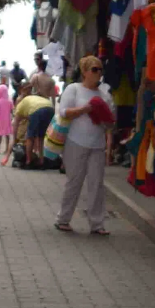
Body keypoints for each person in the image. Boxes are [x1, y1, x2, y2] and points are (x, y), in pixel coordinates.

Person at [55, 57, 114, 234]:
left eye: (100, 69)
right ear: (85, 72)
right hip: (75, 142)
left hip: (97, 145)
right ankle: (63, 219)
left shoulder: (105, 94)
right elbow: (64, 112)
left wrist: (104, 117)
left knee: (97, 184)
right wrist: (86, 109)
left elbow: (111, 124)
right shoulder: (74, 89)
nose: (99, 73)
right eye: (95, 69)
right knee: (74, 181)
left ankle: (97, 224)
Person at [0, 77, 14, 158]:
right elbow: (12, 110)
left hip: (0, 120)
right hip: (7, 120)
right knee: (7, 135)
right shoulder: (10, 100)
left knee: (0, 135)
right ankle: (7, 149)